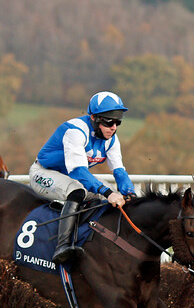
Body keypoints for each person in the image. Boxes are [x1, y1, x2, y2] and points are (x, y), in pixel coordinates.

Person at [29, 91, 136, 264]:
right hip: (43, 172)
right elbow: (78, 171)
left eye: (118, 122)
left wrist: (130, 193)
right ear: (94, 118)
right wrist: (107, 193)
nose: (114, 127)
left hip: (70, 175)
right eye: (109, 121)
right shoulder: (75, 131)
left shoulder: (112, 139)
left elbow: (119, 171)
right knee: (77, 191)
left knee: (116, 194)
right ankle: (62, 246)